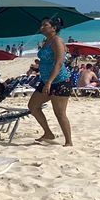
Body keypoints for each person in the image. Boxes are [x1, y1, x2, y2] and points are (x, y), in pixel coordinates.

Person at [28, 17, 73, 146]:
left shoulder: (57, 41)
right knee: (33, 106)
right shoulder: (46, 41)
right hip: (46, 80)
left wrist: (49, 82)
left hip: (60, 81)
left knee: (59, 113)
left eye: (45, 25)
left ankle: (68, 142)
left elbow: (59, 63)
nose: (41, 27)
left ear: (53, 28)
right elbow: (47, 60)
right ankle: (48, 133)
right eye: (41, 25)